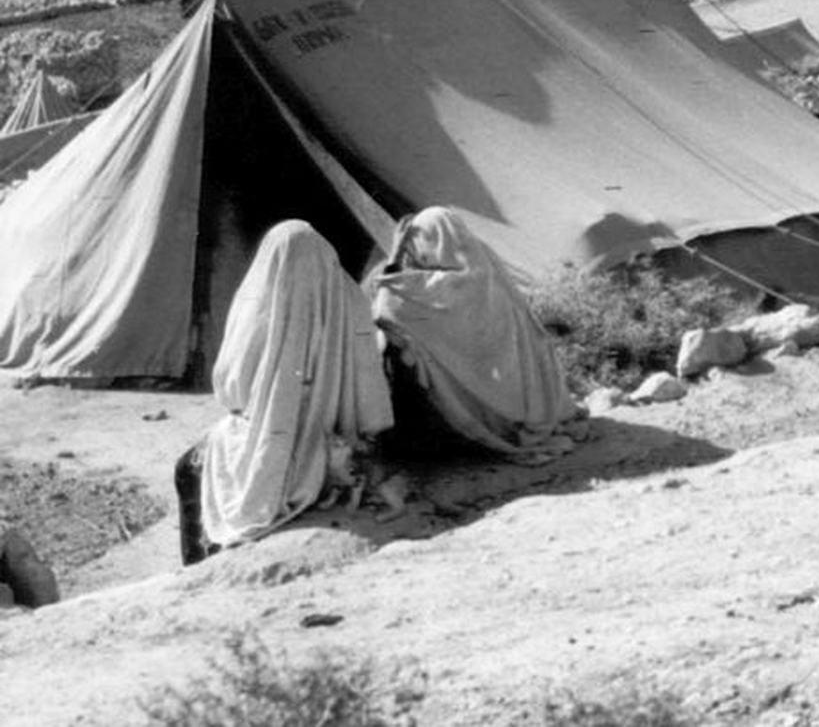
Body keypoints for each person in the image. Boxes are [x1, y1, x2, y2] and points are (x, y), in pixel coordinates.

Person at [179, 222, 393, 564]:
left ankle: (198, 567)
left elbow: (232, 390)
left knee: (189, 469)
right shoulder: (350, 298)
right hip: (333, 446)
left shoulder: (263, 301)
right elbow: (373, 402)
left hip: (273, 450)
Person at [367, 207, 579, 463]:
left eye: (419, 244)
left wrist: (394, 257)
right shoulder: (483, 262)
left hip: (494, 411)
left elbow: (385, 306)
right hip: (526, 398)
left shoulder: (440, 286)